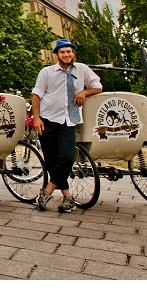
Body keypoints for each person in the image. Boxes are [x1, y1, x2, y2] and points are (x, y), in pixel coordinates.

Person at [31, 39, 102, 213]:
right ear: (57, 54)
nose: (66, 54)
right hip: (47, 119)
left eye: (69, 51)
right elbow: (37, 95)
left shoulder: (82, 69)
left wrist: (84, 92)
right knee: (52, 161)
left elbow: (97, 86)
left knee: (68, 157)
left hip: (68, 120)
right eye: (62, 52)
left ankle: (46, 191)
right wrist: (36, 118)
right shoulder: (47, 72)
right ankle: (68, 198)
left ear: (73, 53)